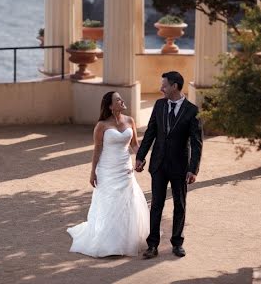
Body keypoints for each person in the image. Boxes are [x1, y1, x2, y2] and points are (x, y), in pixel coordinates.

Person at [68, 91, 150, 257]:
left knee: (127, 202)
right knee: (110, 203)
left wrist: (140, 158)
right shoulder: (102, 126)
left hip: (125, 169)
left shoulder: (130, 120)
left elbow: (134, 144)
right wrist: (93, 172)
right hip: (107, 170)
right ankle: (108, 241)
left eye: (121, 99)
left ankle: (126, 238)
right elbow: (97, 150)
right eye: (118, 100)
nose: (122, 101)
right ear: (110, 106)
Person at [135, 71, 203, 259]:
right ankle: (153, 245)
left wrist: (193, 168)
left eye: (164, 85)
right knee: (156, 204)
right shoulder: (159, 105)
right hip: (158, 164)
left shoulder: (192, 110)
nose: (160, 89)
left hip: (180, 167)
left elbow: (197, 143)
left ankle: (177, 243)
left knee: (179, 205)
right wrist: (141, 156)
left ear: (174, 86)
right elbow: (151, 132)